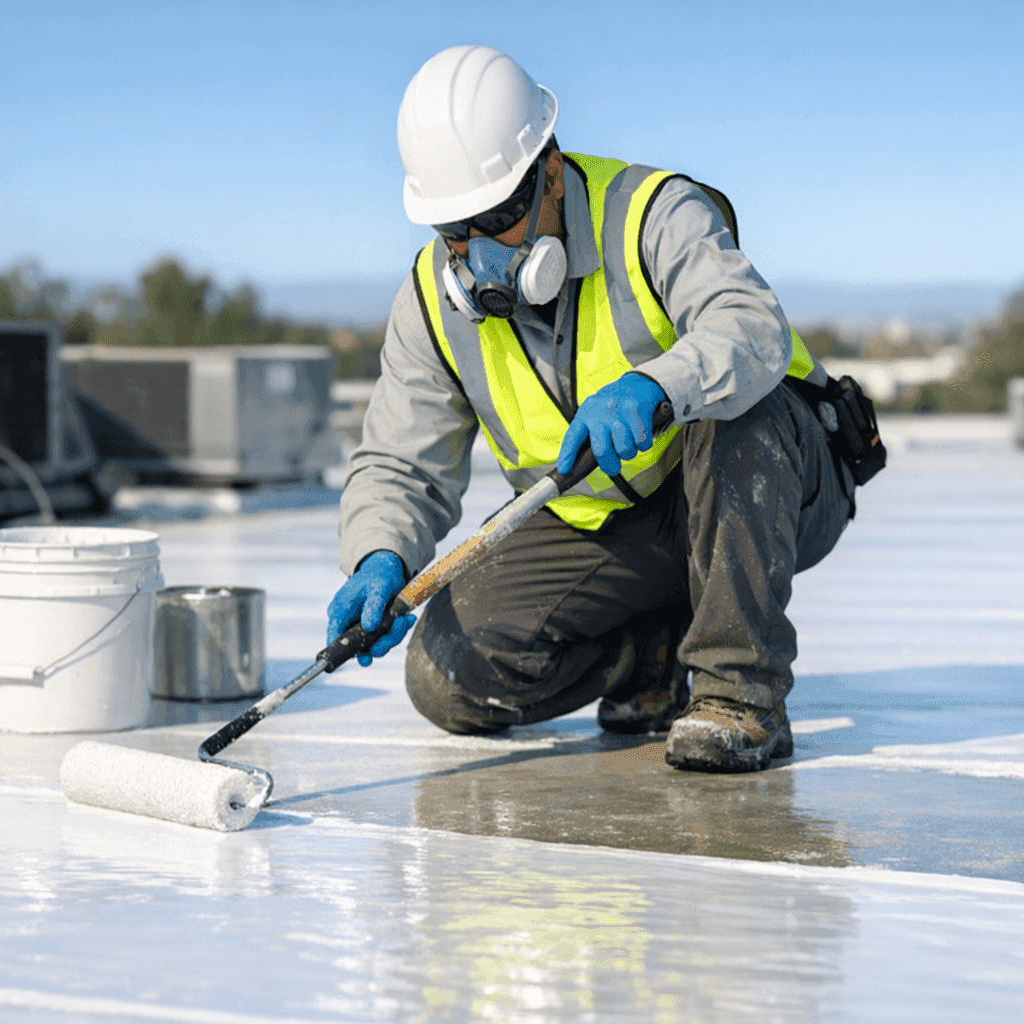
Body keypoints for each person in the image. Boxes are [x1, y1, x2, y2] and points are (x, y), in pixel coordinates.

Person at [326, 44, 854, 772]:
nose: (479, 254)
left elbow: (750, 328)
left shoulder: (651, 213)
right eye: (456, 230)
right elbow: (399, 460)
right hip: (615, 531)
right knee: (446, 676)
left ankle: (739, 695)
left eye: (501, 216)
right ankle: (654, 659)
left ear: (549, 170)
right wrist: (379, 550)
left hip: (773, 490)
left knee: (739, 410)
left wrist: (661, 386)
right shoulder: (428, 303)